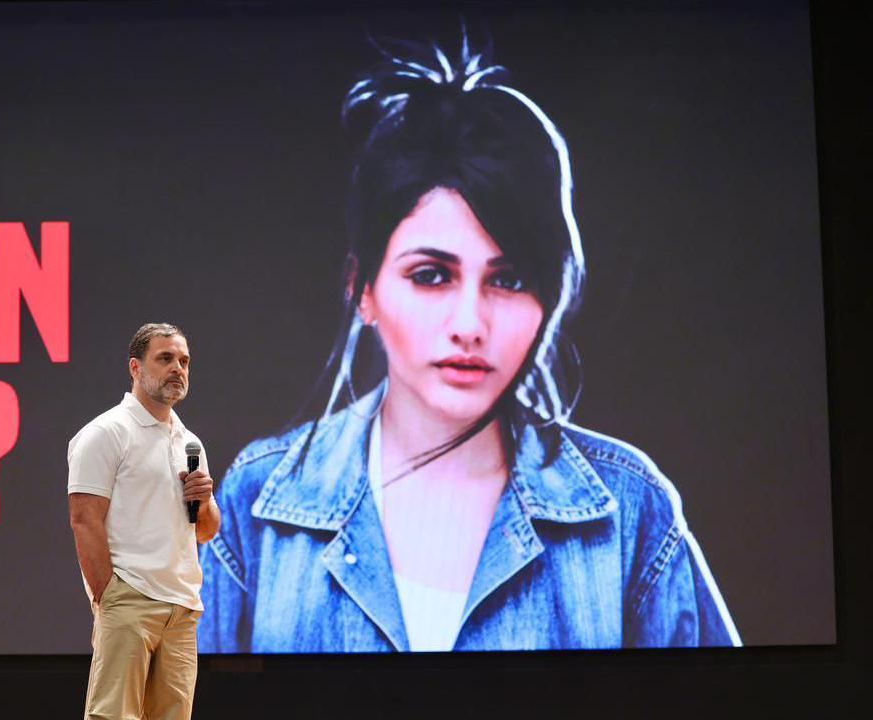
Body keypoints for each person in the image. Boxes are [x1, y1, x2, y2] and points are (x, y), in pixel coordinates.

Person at [198, 37, 740, 652]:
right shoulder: (257, 507)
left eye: (508, 280)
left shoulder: (631, 514)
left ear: (549, 298)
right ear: (363, 288)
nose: (469, 322)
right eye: (431, 275)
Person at [68, 323, 220, 718]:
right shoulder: (106, 433)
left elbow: (205, 530)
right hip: (130, 598)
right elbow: (84, 519)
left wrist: (203, 501)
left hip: (182, 607)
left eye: (184, 361)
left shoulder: (189, 442)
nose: (177, 369)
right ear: (135, 367)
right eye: (165, 358)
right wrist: (109, 595)